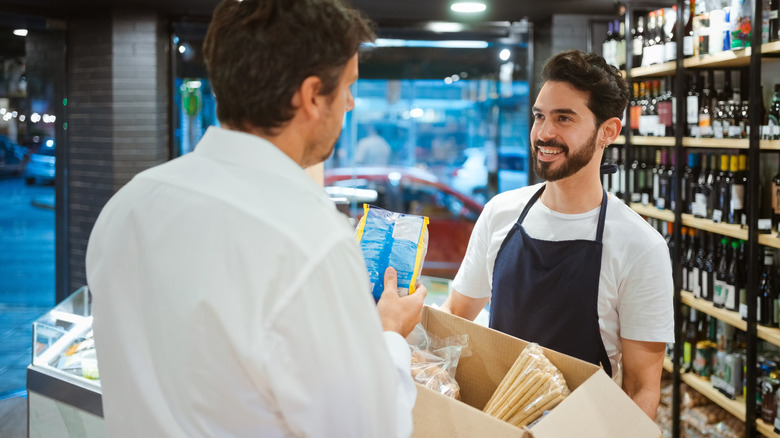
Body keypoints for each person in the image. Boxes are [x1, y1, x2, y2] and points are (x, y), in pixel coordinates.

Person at [85, 0, 426, 436]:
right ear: (311, 97)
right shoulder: (309, 239)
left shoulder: (129, 204)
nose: (351, 104)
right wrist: (390, 334)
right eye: (347, 88)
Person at [441, 50, 674, 419]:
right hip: (496, 420)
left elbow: (641, 387)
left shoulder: (640, 246)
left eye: (564, 118)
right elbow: (455, 317)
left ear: (608, 132)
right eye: (539, 117)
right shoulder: (500, 213)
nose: (544, 133)